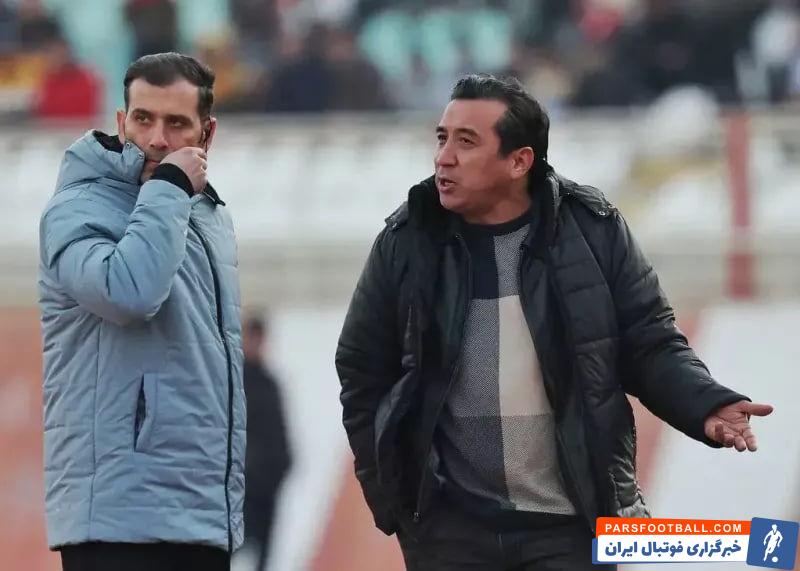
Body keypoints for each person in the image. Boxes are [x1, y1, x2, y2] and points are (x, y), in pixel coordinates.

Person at [335, 74, 773, 571]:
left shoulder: (592, 229)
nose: (444, 157)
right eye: (442, 138)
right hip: (450, 532)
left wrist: (705, 403)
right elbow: (362, 370)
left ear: (519, 161)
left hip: (572, 528)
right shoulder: (407, 239)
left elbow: (649, 343)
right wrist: (394, 500)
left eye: (466, 141)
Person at [38, 52, 245, 571]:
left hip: (199, 513)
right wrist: (168, 188)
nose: (156, 139)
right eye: (143, 119)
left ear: (207, 135)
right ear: (120, 122)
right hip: (117, 518)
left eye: (176, 124)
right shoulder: (78, 208)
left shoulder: (208, 216)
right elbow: (129, 293)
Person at [237, 314, 292, 571]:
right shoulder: (233, 383)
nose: (256, 344)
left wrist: (282, 467)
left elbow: (281, 434)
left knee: (264, 556)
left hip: (267, 488)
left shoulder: (270, 384)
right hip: (239, 489)